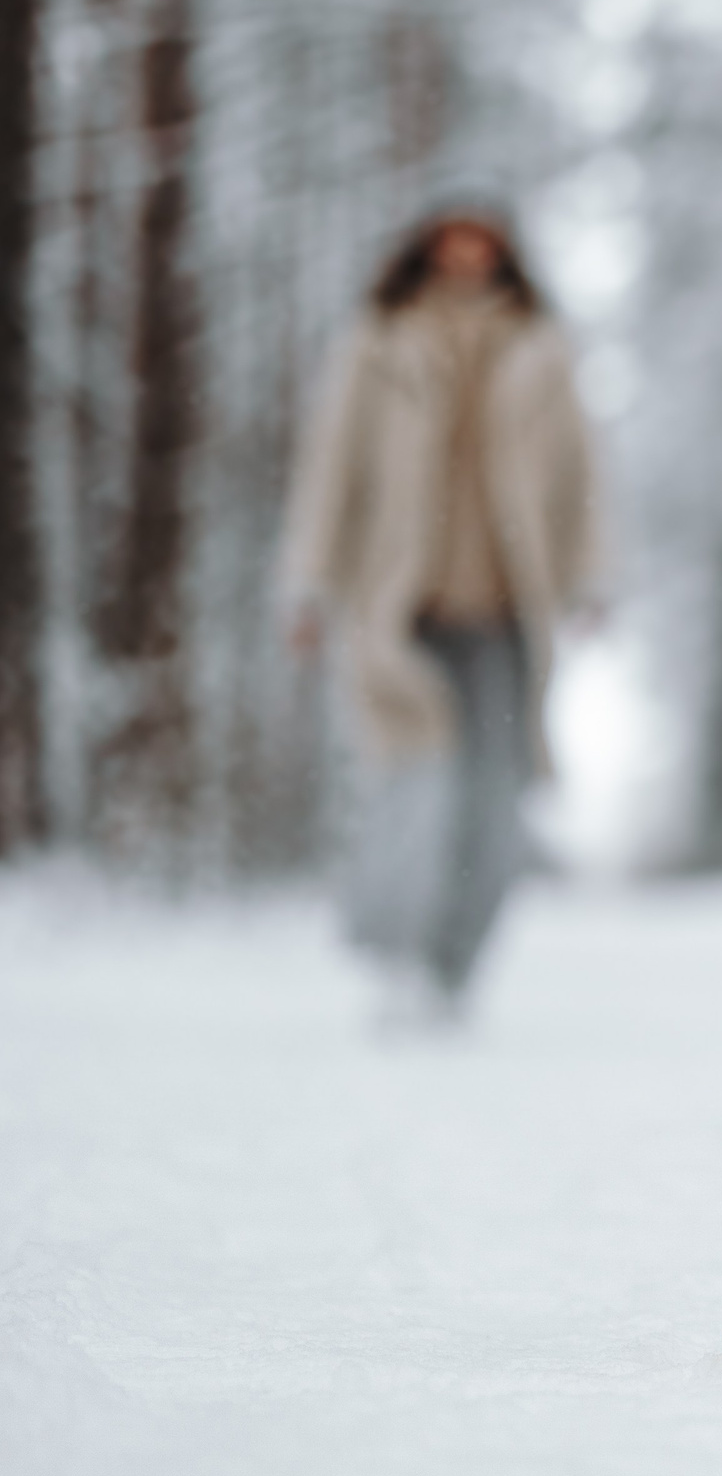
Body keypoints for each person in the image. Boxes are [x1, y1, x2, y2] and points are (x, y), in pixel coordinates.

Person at [279, 205, 600, 1028]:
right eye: (453, 234)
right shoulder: (379, 342)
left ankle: (454, 969)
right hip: (402, 612)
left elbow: (580, 476)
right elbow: (332, 468)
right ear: (425, 242)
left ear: (502, 249)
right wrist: (310, 586)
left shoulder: (540, 348)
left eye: (482, 235)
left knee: (496, 801)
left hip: (503, 614)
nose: (467, 250)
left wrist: (590, 579)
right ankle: (391, 952)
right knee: (418, 787)